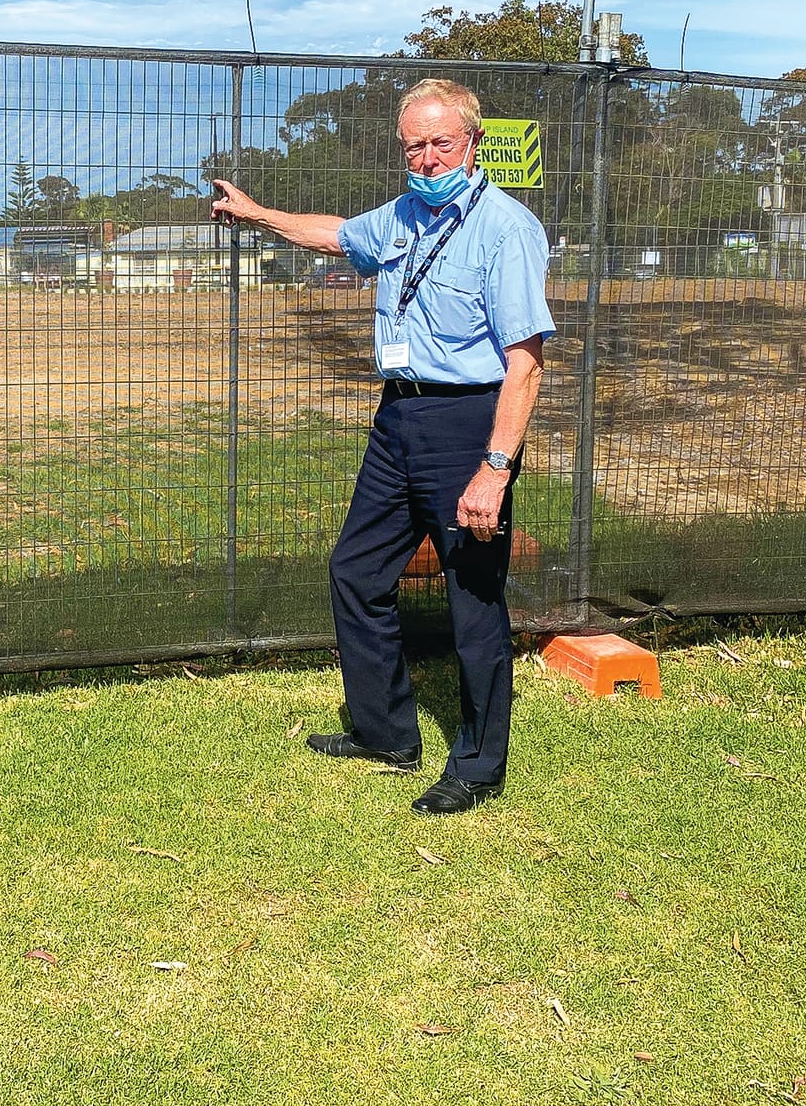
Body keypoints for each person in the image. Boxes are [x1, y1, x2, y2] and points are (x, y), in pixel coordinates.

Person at [211, 77, 554, 816]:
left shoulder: (506, 229)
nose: (427, 159)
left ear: (473, 142)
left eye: (441, 143)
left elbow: (525, 364)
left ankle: (478, 766)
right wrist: (256, 213)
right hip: (398, 418)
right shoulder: (401, 216)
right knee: (356, 570)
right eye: (413, 146)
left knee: (473, 597)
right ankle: (385, 733)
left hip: (468, 423)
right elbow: (335, 234)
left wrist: (494, 468)